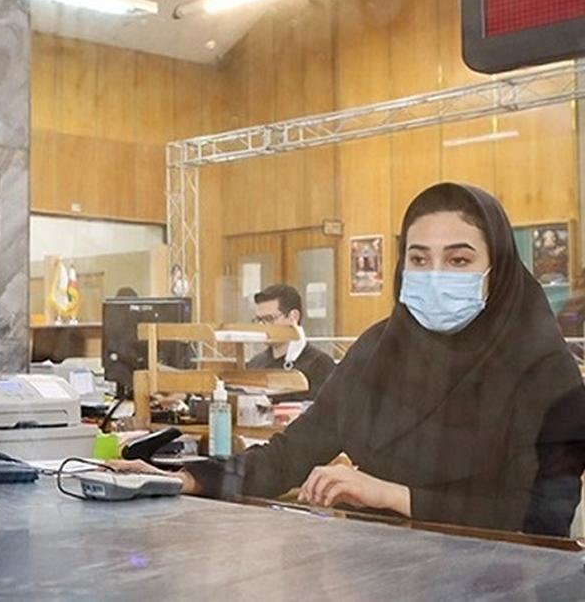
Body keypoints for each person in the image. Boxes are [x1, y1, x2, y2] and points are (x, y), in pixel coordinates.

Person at [116, 183, 585, 537]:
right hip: (377, 571)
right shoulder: (378, 352)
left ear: (498, 269)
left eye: (459, 261)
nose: (435, 275)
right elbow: (288, 456)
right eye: (419, 259)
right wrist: (184, 479)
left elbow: (542, 519)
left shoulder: (546, 372)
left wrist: (391, 495)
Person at [247, 284, 336, 402]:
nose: (262, 326)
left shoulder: (320, 365)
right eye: (259, 320)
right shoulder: (255, 364)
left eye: (269, 319)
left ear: (293, 317)